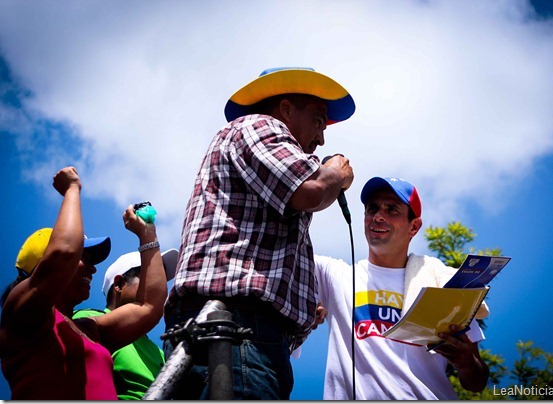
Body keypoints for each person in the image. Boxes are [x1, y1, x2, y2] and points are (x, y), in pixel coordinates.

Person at [163, 67, 355, 399]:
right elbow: (311, 189)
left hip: (238, 331)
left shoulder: (252, 146)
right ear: (285, 109)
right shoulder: (259, 125)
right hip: (237, 329)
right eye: (319, 120)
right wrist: (336, 173)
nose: (322, 138)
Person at [313, 176, 490, 400]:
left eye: (392, 210)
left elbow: (478, 382)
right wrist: (329, 177)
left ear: (414, 226)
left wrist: (467, 363)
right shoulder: (335, 276)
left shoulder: (441, 284)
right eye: (372, 209)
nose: (378, 216)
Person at [0, 166, 169, 400]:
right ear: (43, 264)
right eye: (84, 257)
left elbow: (149, 307)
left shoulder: (88, 330)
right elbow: (64, 252)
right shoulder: (21, 311)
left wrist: (147, 234)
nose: (93, 268)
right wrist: (71, 188)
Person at [73, 247, 179, 400]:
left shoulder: (160, 352)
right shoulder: (89, 320)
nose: (158, 288)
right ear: (119, 283)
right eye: (149, 279)